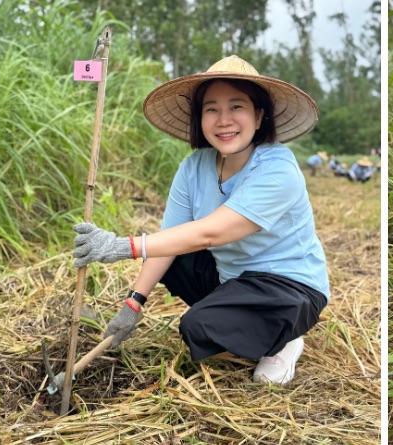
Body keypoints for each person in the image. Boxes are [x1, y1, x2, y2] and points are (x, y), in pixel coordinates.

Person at [70, 55, 330, 385]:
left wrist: (121, 247)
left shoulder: (278, 168)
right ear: (199, 117)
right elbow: (173, 236)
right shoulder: (194, 167)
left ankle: (282, 340)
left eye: (236, 107)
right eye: (211, 109)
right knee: (171, 251)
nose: (224, 120)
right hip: (232, 279)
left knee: (198, 327)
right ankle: (247, 322)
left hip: (288, 287)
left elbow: (211, 232)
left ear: (259, 115)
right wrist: (132, 305)